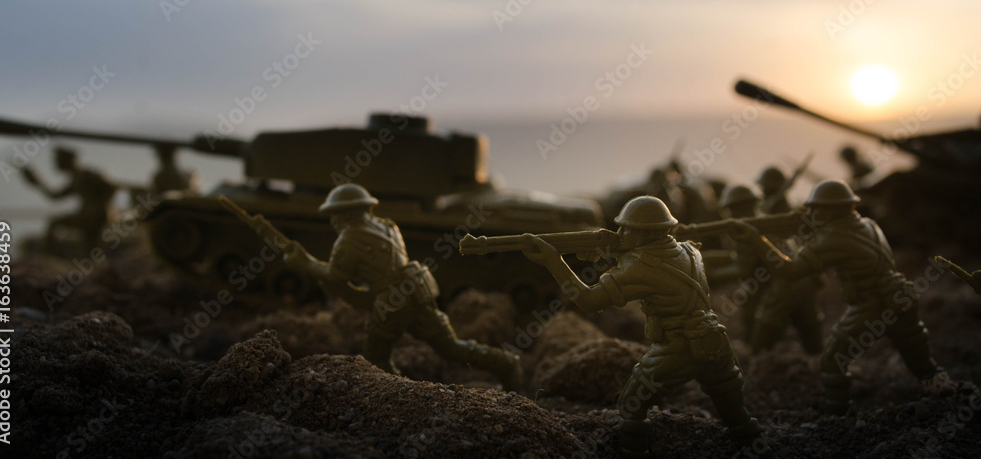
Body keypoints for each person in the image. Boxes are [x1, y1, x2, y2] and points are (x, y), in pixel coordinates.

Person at [523, 196, 767, 458]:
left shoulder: (637, 267)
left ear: (647, 233)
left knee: (631, 405)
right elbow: (657, 261)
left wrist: (553, 261)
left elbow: (588, 300)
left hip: (677, 347)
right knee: (736, 414)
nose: (620, 233)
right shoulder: (689, 250)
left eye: (628, 228)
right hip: (715, 342)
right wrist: (612, 255)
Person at [277, 183, 521, 390]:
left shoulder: (349, 238)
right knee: (451, 347)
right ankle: (504, 364)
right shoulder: (388, 225)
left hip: (392, 302)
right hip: (415, 290)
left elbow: (335, 277)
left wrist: (304, 262)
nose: (333, 221)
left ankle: (396, 395)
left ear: (347, 213)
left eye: (335, 214)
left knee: (375, 358)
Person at [732, 179, 941, 414]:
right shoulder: (869, 224)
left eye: (816, 208)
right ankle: (944, 391)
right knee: (917, 353)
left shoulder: (832, 239)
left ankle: (837, 415)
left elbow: (789, 270)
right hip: (902, 296)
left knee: (833, 360)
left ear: (831, 210)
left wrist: (756, 240)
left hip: (872, 304)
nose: (810, 212)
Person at [720, 184, 824, 355]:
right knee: (808, 322)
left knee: (765, 330)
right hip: (802, 279)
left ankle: (759, 356)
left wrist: (711, 273)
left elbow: (744, 270)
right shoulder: (768, 222)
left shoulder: (747, 230)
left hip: (785, 284)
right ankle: (818, 356)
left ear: (736, 208)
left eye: (731, 209)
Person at [22, 146, 116, 252]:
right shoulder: (76, 178)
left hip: (94, 217)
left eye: (58, 160)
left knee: (56, 225)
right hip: (88, 216)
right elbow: (55, 196)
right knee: (90, 247)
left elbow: (111, 188)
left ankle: (48, 254)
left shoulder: (85, 175)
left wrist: (97, 207)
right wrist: (37, 182)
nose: (55, 163)